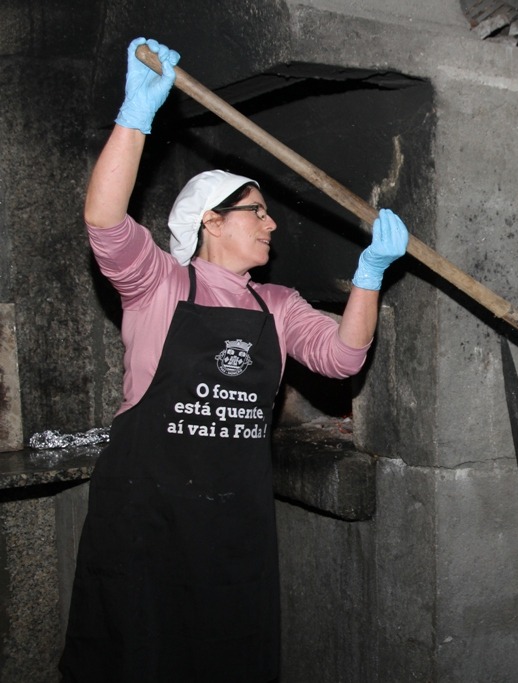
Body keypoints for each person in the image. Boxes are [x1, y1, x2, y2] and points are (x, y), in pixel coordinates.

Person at [59, 37, 408, 682]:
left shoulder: (277, 304)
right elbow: (105, 222)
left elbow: (341, 359)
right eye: (257, 212)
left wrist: (370, 278)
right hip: (148, 517)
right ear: (210, 224)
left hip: (232, 522)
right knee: (136, 656)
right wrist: (135, 117)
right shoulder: (159, 284)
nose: (272, 225)